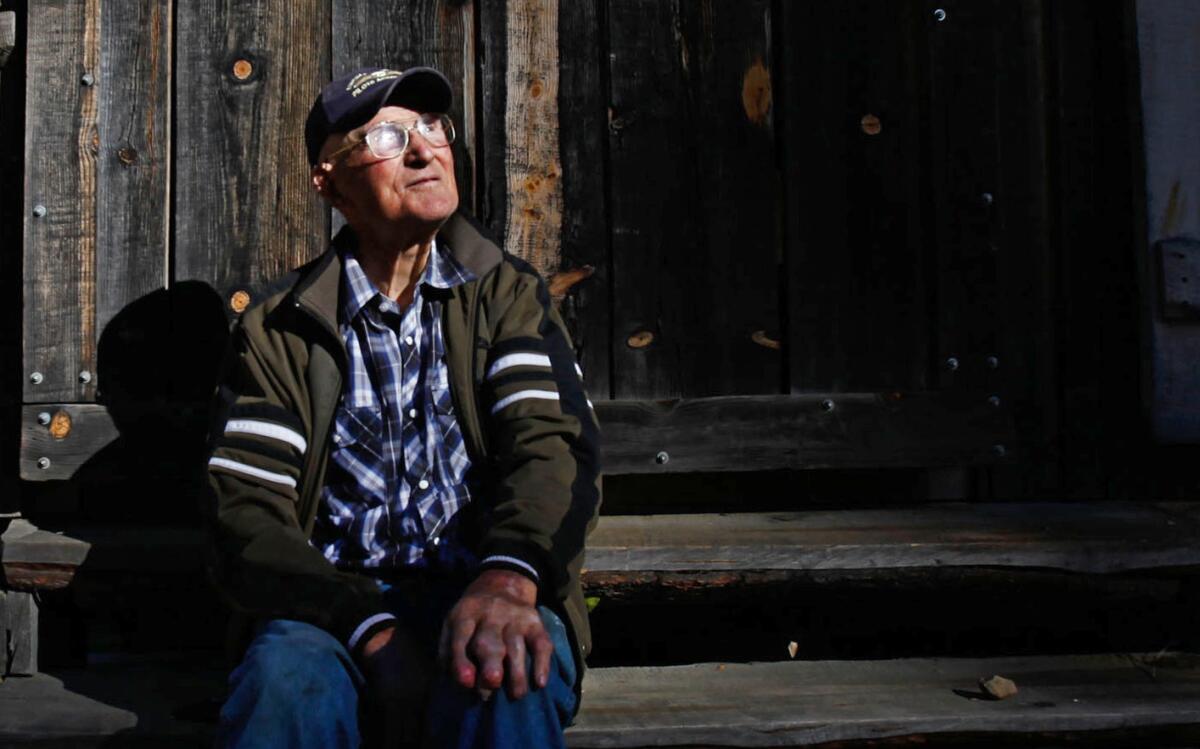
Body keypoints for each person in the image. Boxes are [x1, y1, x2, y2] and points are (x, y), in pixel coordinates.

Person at [205, 65, 601, 748]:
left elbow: (551, 450)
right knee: (284, 686)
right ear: (327, 182)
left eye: (432, 129)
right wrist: (367, 625)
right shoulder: (279, 330)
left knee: (504, 668)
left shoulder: (507, 296)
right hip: (328, 614)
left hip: (485, 584)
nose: (424, 149)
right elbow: (246, 514)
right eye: (387, 136)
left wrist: (509, 576)